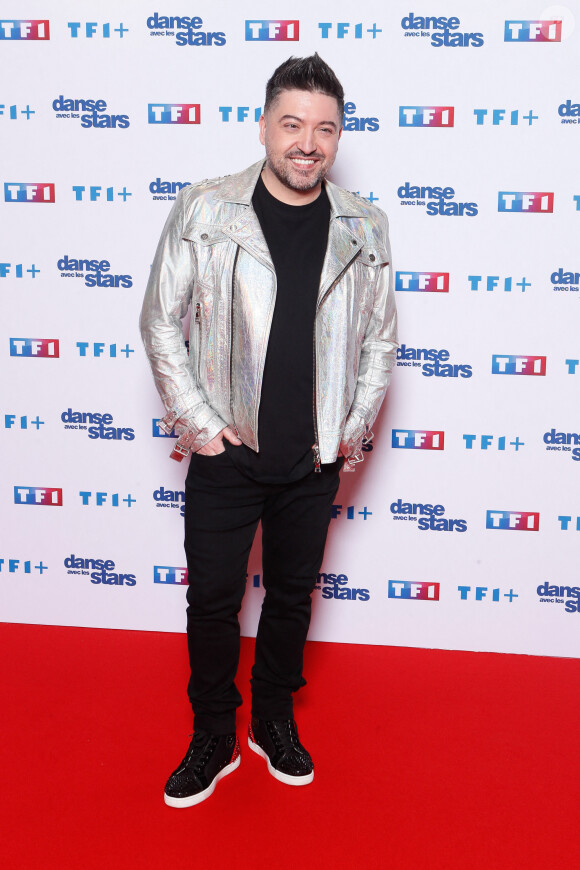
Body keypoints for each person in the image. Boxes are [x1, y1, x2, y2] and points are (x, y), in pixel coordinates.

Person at [140, 54, 398, 808]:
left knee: (291, 597)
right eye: (292, 124)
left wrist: (349, 433)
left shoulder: (365, 225)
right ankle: (215, 733)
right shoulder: (204, 209)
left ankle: (274, 719)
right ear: (264, 127)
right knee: (213, 603)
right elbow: (161, 320)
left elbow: (380, 339)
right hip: (227, 452)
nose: (307, 142)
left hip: (311, 458)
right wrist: (202, 426)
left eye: (324, 128)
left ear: (339, 136)